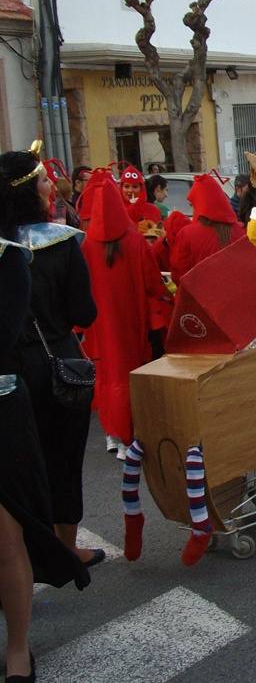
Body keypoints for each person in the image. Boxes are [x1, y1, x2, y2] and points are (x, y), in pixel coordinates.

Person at [0, 142, 103, 567]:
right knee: (63, 458)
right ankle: (65, 547)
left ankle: (19, 558)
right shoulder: (60, 245)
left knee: (22, 470)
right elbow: (85, 313)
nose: (51, 186)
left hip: (10, 374)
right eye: (44, 179)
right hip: (60, 367)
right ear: (30, 191)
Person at [1, 233, 90, 683]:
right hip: (44, 370)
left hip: (5, 397)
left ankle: (18, 647)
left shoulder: (10, 256)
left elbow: (5, 334)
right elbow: (82, 311)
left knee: (6, 532)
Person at [81, 172, 169, 460]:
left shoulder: (87, 246)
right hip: (132, 321)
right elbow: (153, 283)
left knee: (107, 376)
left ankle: (112, 434)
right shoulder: (134, 242)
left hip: (100, 324)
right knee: (132, 373)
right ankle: (131, 435)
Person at [170, 173, 246, 284]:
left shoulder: (187, 234)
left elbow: (178, 275)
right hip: (235, 295)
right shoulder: (240, 230)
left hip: (200, 297)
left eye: (192, 204)